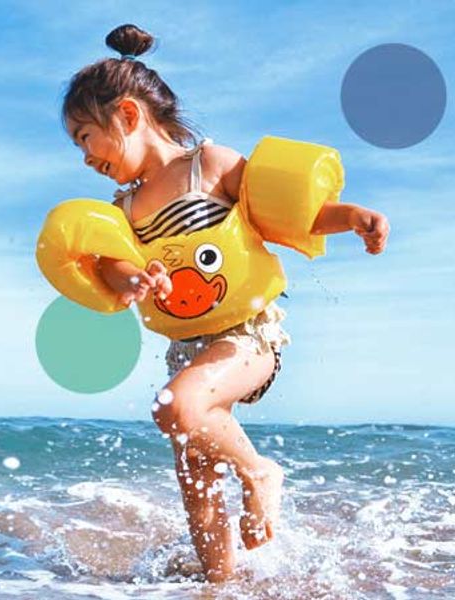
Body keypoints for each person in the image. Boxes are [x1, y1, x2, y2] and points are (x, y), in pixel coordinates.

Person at [59, 24, 389, 582]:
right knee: (197, 484)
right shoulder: (124, 205)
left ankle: (260, 474)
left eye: (85, 137)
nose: (85, 157)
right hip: (185, 348)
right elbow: (113, 264)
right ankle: (220, 587)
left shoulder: (208, 166)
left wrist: (351, 215)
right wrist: (134, 278)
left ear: (128, 115)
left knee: (175, 408)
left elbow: (287, 214)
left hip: (248, 335)